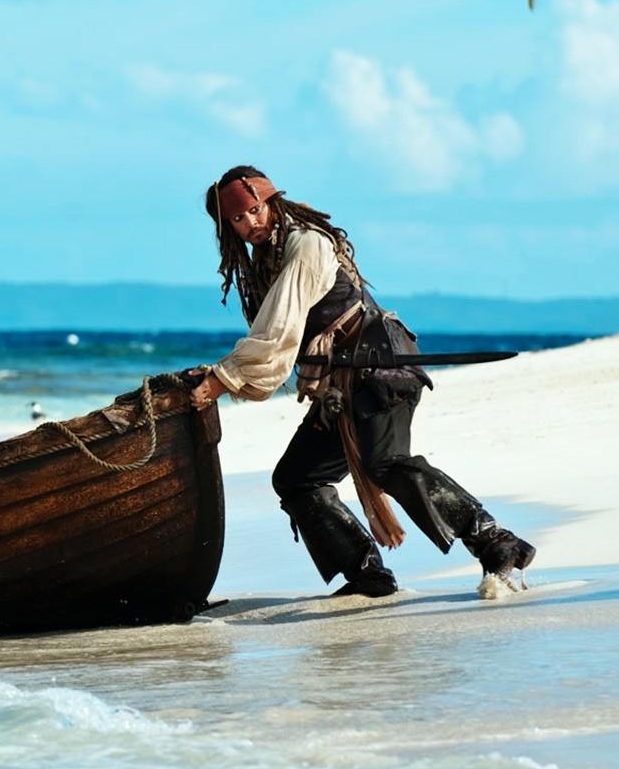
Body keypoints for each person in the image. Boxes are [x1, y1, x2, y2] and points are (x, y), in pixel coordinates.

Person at [187, 165, 536, 599]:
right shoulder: (264, 263)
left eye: (254, 211)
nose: (249, 224)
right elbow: (280, 335)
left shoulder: (306, 244)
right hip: (340, 387)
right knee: (297, 478)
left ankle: (497, 542)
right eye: (237, 220)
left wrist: (223, 380)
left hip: (380, 368)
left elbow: (276, 333)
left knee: (384, 462)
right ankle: (367, 575)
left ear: (270, 202)